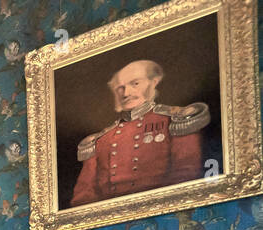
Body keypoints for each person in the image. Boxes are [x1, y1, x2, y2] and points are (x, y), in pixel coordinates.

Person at [70, 59, 209, 208]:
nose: (126, 93)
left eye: (135, 83)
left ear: (153, 82)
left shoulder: (175, 120)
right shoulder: (102, 139)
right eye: (120, 88)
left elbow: (186, 176)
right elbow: (83, 197)